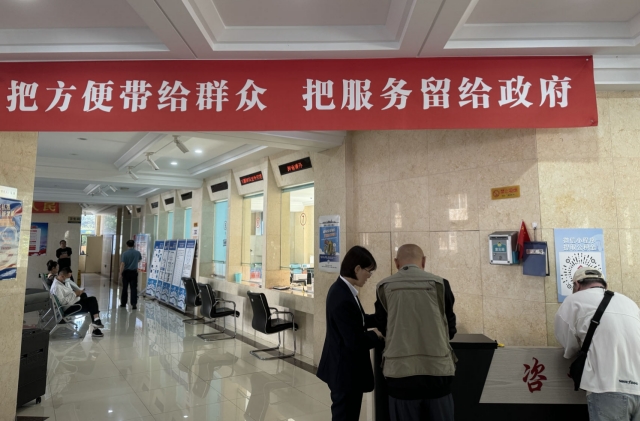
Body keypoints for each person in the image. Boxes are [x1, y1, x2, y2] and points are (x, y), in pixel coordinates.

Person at [374, 244, 457, 421]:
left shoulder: (383, 287)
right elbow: (450, 329)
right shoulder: (441, 285)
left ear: (396, 263)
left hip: (400, 375)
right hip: (437, 373)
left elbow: (383, 327)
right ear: (424, 261)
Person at [555, 267, 640, 421]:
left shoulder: (573, 300)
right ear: (604, 285)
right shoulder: (630, 303)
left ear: (576, 284)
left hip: (607, 386)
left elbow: (569, 348)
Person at [317, 245, 385, 421]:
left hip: (346, 370)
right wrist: (376, 335)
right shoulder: (342, 296)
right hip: (344, 372)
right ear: (357, 268)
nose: (369, 276)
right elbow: (354, 341)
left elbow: (358, 320)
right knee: (345, 416)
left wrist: (380, 319)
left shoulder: (344, 290)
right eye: (368, 271)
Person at [50, 267, 104, 337]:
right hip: (68, 308)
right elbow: (63, 302)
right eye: (68, 277)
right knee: (92, 301)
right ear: (62, 276)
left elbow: (69, 292)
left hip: (72, 302)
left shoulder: (63, 281)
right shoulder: (56, 287)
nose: (69, 279)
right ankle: (96, 323)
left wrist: (77, 293)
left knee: (85, 296)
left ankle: (96, 323)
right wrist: (75, 294)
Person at [119, 239, 142, 310]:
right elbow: (139, 260)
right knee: (133, 288)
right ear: (134, 245)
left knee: (125, 288)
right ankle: (134, 303)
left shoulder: (125, 253)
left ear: (127, 245)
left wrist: (120, 273)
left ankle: (123, 303)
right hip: (134, 272)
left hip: (126, 272)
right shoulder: (137, 253)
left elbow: (122, 264)